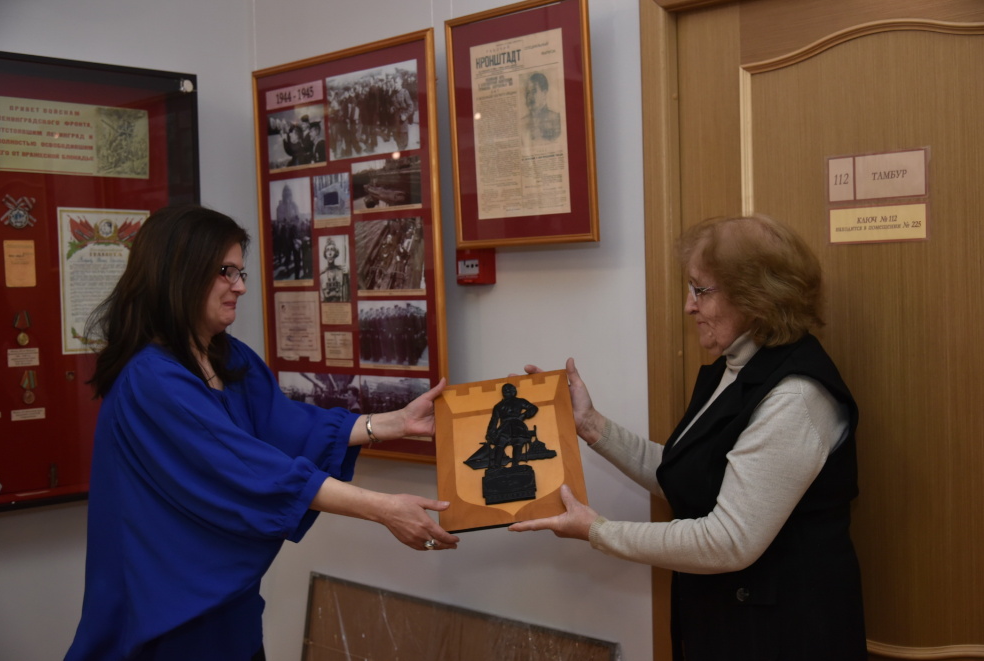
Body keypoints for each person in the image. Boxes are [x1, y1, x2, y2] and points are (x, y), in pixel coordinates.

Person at [65, 205, 459, 661]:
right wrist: (383, 508)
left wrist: (393, 423)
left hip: (229, 611)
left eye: (240, 272)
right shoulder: (151, 380)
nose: (241, 287)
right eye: (226, 272)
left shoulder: (226, 356)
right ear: (179, 272)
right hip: (165, 617)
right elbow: (251, 469)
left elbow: (285, 426)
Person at [511, 214, 867, 660]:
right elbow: (688, 476)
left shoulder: (795, 395)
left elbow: (729, 540)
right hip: (729, 621)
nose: (688, 306)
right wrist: (590, 425)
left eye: (701, 290)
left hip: (785, 634)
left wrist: (598, 531)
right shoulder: (734, 366)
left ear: (756, 297)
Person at [522, 72, 561, 142]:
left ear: (544, 93)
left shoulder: (556, 119)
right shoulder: (522, 122)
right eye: (528, 93)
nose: (530, 96)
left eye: (534, 91)